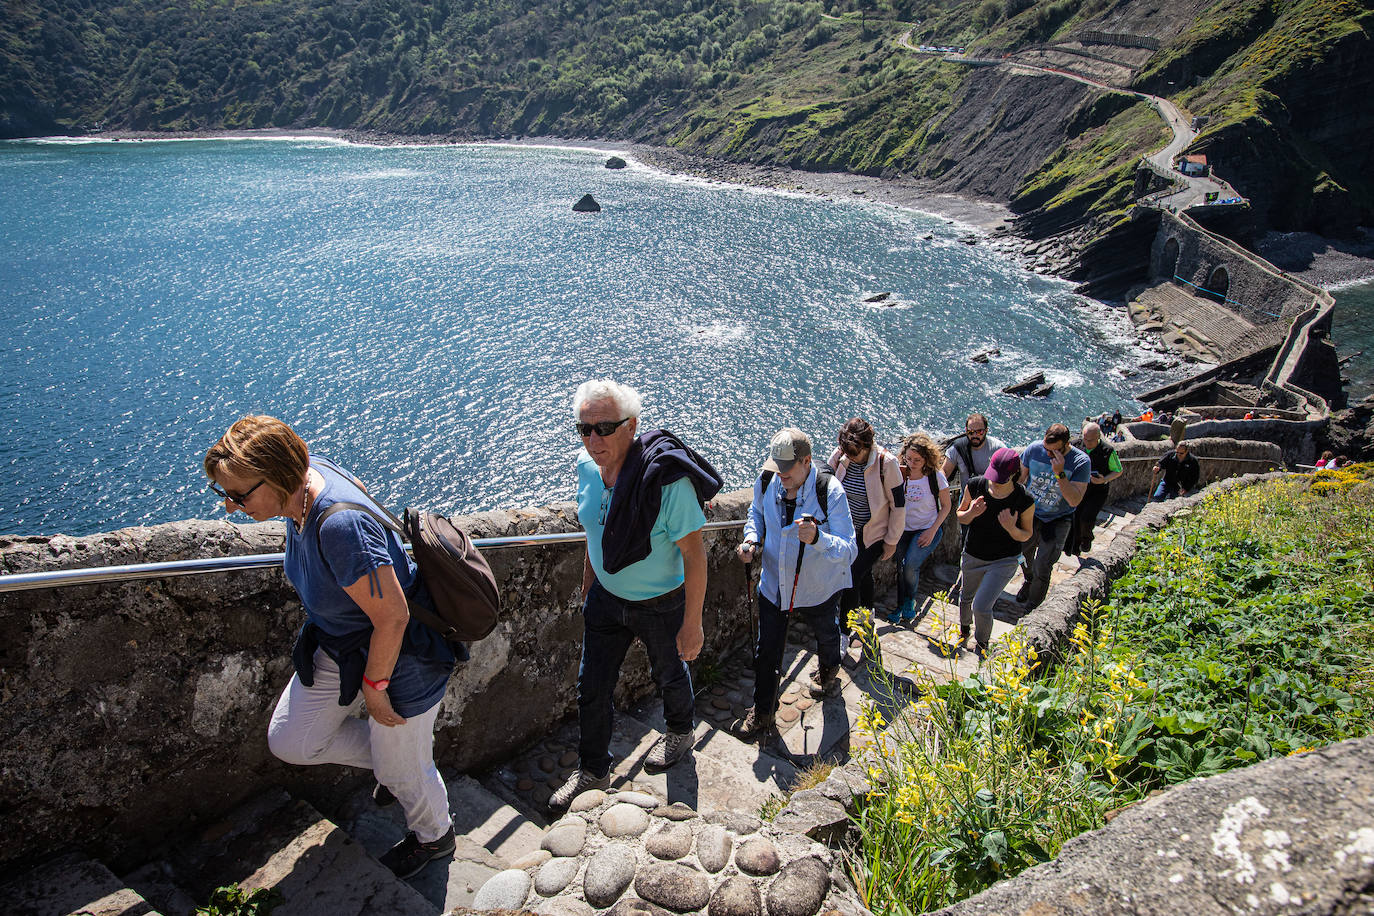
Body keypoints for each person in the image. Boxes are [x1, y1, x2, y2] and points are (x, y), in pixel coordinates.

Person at [204, 416, 458, 879]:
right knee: (292, 740)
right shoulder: (306, 475)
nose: (231, 507)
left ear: (279, 476)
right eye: (225, 494)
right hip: (341, 645)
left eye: (239, 495)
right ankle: (401, 764)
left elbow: (393, 616)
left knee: (404, 768)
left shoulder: (339, 527)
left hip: (403, 658)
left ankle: (434, 836)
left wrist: (375, 688)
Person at [551, 380, 722, 811]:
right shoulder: (586, 468)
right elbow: (595, 530)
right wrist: (591, 578)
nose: (593, 439)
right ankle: (593, 770)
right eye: (584, 429)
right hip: (607, 598)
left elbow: (694, 555)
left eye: (605, 428)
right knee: (591, 687)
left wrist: (692, 623)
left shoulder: (665, 483)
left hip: (661, 601)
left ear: (632, 426)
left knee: (669, 672)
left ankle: (681, 731)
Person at [735, 429, 857, 739]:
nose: (781, 475)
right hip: (775, 586)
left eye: (787, 469)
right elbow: (757, 513)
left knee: (827, 633)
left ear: (807, 461)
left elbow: (849, 550)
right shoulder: (767, 479)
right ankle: (763, 712)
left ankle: (829, 672)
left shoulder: (830, 491)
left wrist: (818, 539)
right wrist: (752, 537)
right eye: (777, 467)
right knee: (767, 652)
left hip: (817, 586)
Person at [828, 418, 905, 646]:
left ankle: (843, 631)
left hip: (873, 534)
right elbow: (825, 476)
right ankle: (867, 614)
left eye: (855, 453)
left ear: (868, 445)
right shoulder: (842, 454)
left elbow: (898, 505)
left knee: (851, 576)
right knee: (863, 575)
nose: (850, 457)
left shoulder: (886, 463)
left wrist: (892, 540)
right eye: (846, 452)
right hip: (846, 531)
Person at [955, 447, 1034, 655]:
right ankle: (964, 628)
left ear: (1014, 474)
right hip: (973, 553)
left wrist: (1010, 527)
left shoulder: (1023, 499)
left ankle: (982, 644)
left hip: (1003, 559)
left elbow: (1026, 534)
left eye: (1001, 478)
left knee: (981, 606)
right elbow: (960, 515)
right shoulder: (976, 485)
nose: (995, 482)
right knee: (965, 597)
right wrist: (971, 512)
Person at [1016, 423, 1091, 610]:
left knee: (1044, 564)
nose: (1048, 454)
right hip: (1031, 513)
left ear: (1066, 445)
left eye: (1054, 451)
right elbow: (1020, 479)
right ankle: (1028, 580)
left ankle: (1033, 605)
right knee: (1021, 554)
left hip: (1058, 518)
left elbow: (1074, 500)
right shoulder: (1034, 449)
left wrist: (1060, 474)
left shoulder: (1081, 462)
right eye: (1046, 449)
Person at [887, 432, 951, 624]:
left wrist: (932, 531)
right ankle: (899, 605)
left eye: (917, 460)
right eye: (908, 458)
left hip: (926, 528)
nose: (912, 463)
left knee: (910, 565)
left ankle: (909, 601)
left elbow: (947, 506)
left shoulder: (935, 477)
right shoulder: (899, 473)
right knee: (900, 567)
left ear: (926, 459)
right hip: (902, 529)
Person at [1064, 422, 1123, 557]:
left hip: (1097, 490)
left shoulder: (1108, 451)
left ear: (1098, 437)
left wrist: (1104, 479)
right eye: (1084, 438)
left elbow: (1118, 470)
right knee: (1076, 516)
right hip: (1079, 488)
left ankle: (1087, 539)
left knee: (1087, 517)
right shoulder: (1075, 445)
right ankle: (1075, 546)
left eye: (1090, 440)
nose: (1086, 442)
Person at [941, 413, 1007, 486]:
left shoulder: (998, 448)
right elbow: (944, 473)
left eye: (979, 432)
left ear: (986, 431)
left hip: (991, 495)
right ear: (966, 430)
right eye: (971, 432)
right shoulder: (957, 448)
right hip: (967, 496)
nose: (975, 435)